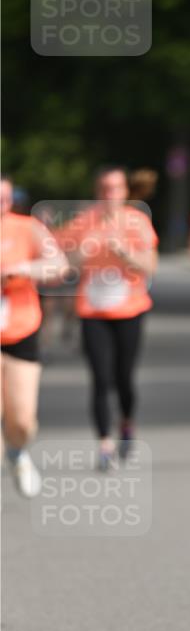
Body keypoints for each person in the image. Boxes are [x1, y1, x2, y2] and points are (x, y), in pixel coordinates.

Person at [57, 167, 158, 470]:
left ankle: (126, 424)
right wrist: (82, 252)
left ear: (125, 192)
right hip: (92, 310)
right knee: (100, 378)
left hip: (130, 309)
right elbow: (65, 265)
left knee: (123, 377)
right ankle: (104, 444)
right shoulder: (82, 221)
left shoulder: (137, 222)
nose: (109, 195)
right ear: (97, 191)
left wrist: (124, 252)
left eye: (115, 189)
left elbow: (149, 267)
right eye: (104, 189)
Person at [1, 177, 68, 495]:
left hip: (21, 329)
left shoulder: (28, 228)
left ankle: (17, 452)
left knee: (22, 420)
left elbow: (59, 265)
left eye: (4, 198)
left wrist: (26, 269)